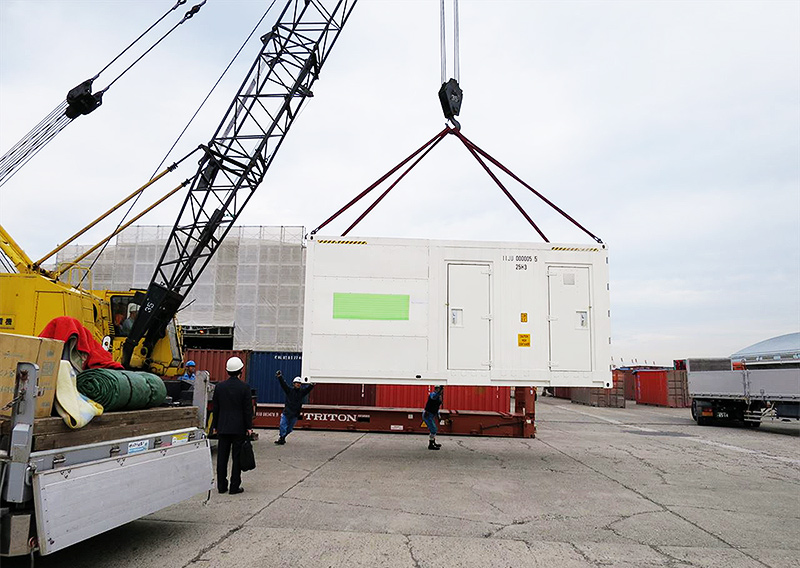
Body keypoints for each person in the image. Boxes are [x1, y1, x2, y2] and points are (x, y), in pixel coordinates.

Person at [210, 356, 253, 494]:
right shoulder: (245, 387)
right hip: (239, 428)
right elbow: (247, 410)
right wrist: (249, 427)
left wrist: (215, 426)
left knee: (222, 458)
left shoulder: (220, 387)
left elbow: (216, 408)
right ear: (241, 370)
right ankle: (234, 487)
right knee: (237, 458)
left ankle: (221, 486)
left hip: (223, 427)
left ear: (227, 370)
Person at [274, 370, 314, 445]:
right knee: (282, 425)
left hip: (295, 414)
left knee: (289, 429)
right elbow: (283, 385)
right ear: (293, 384)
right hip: (286, 413)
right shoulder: (289, 391)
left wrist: (312, 384)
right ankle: (281, 438)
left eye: (299, 383)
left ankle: (283, 438)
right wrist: (279, 377)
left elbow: (308, 389)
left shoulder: (302, 393)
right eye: (297, 383)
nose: (298, 384)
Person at [423, 385, 444, 450]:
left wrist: (438, 416)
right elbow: (433, 397)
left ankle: (433, 442)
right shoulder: (433, 394)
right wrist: (440, 391)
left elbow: (437, 407)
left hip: (431, 415)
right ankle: (431, 445)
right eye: (439, 389)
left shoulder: (439, 397)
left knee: (434, 429)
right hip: (427, 415)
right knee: (433, 429)